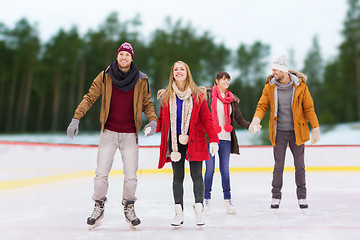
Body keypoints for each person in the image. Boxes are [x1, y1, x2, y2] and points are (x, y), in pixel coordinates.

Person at [66, 42, 158, 229]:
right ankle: (98, 205)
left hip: (130, 134)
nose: (124, 58)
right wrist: (76, 117)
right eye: (121, 54)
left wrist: (153, 120)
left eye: (127, 55)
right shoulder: (105, 76)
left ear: (132, 58)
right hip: (109, 132)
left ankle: (129, 206)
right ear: (117, 56)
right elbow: (90, 96)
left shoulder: (141, 79)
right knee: (101, 174)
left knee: (131, 176)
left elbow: (147, 103)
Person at [248, 55, 320, 209]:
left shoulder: (300, 85)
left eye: (275, 69)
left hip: (297, 132)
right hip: (279, 131)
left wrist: (315, 128)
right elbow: (262, 106)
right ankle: (275, 196)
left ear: (283, 70)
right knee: (278, 166)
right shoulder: (270, 86)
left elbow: (309, 108)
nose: (273, 72)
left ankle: (302, 197)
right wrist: (256, 119)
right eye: (272, 69)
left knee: (300, 166)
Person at [156, 61, 219, 227]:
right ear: (173, 74)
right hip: (175, 143)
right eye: (175, 69)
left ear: (187, 72)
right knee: (177, 177)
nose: (178, 71)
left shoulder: (198, 95)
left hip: (194, 140)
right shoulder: (167, 96)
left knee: (197, 176)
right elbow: (162, 120)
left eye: (181, 69)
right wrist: (151, 126)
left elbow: (207, 119)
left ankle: (199, 211)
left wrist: (213, 138)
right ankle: (179, 213)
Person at [203, 71, 250, 214]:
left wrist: (250, 125)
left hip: (226, 139)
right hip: (211, 139)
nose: (225, 81)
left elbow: (239, 119)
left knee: (225, 171)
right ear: (216, 81)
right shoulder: (208, 95)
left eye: (227, 79)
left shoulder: (232, 99)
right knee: (210, 170)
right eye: (223, 79)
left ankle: (228, 202)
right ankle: (206, 200)